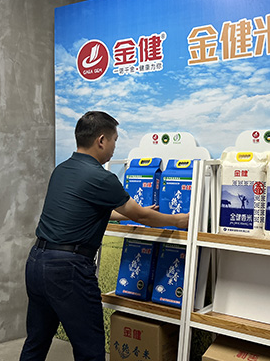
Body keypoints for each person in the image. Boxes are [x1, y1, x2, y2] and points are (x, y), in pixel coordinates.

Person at [19, 111, 188, 361]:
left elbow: (89, 210)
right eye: (114, 140)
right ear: (101, 140)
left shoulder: (62, 170)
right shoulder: (100, 176)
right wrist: (178, 220)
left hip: (37, 262)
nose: (114, 147)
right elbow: (141, 216)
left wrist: (129, 214)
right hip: (69, 271)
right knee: (90, 349)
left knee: (36, 340)